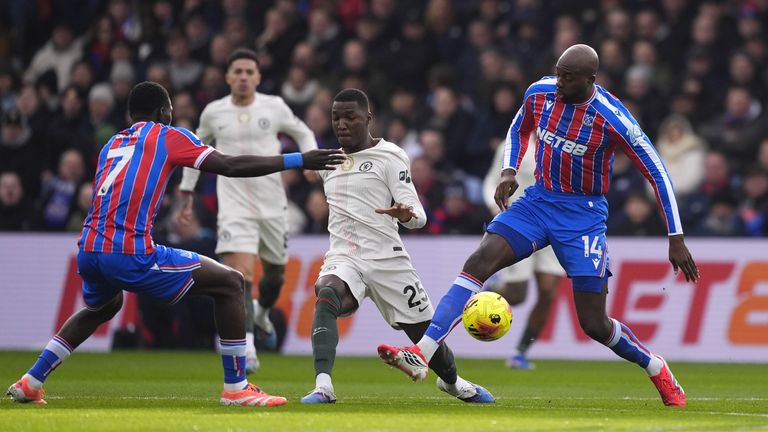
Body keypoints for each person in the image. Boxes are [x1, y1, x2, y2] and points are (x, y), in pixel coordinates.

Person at [377, 45, 699, 407]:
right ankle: (421, 353)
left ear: (590, 80)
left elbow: (657, 173)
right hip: (538, 201)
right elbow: (519, 129)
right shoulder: (540, 92)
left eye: (568, 77)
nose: (559, 82)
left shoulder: (614, 118)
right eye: (558, 73)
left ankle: (655, 366)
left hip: (583, 217)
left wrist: (675, 237)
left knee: (594, 323)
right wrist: (509, 170)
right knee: (479, 261)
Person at [6, 81, 345, 406]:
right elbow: (228, 165)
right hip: (129, 251)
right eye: (170, 109)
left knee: (103, 306)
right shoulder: (168, 135)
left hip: (89, 249)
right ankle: (237, 388)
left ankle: (31, 381)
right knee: (230, 283)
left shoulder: (113, 143)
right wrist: (299, 159)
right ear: (163, 111)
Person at [301, 88, 493, 405]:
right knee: (327, 293)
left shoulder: (390, 156)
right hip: (344, 257)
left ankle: (453, 383)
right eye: (336, 118)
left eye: (350, 117)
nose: (342, 124)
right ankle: (323, 386)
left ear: (368, 118)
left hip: (387, 261)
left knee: (424, 335)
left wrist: (406, 215)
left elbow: (419, 216)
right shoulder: (328, 160)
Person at [179, 48, 318, 373]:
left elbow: (302, 131)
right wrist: (187, 190)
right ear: (228, 77)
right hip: (234, 207)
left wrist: (310, 157)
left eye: (249, 72)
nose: (243, 77)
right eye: (237, 71)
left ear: (258, 77)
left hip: (272, 205)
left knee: (275, 277)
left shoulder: (274, 106)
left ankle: (262, 313)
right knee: (239, 276)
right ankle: (249, 347)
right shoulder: (214, 112)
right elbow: (194, 150)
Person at [482, 139, 565, 370]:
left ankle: (520, 353)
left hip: (555, 225)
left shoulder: (567, 144)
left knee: (548, 292)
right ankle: (487, 292)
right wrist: (493, 204)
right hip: (520, 225)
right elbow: (492, 180)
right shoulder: (514, 145)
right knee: (517, 294)